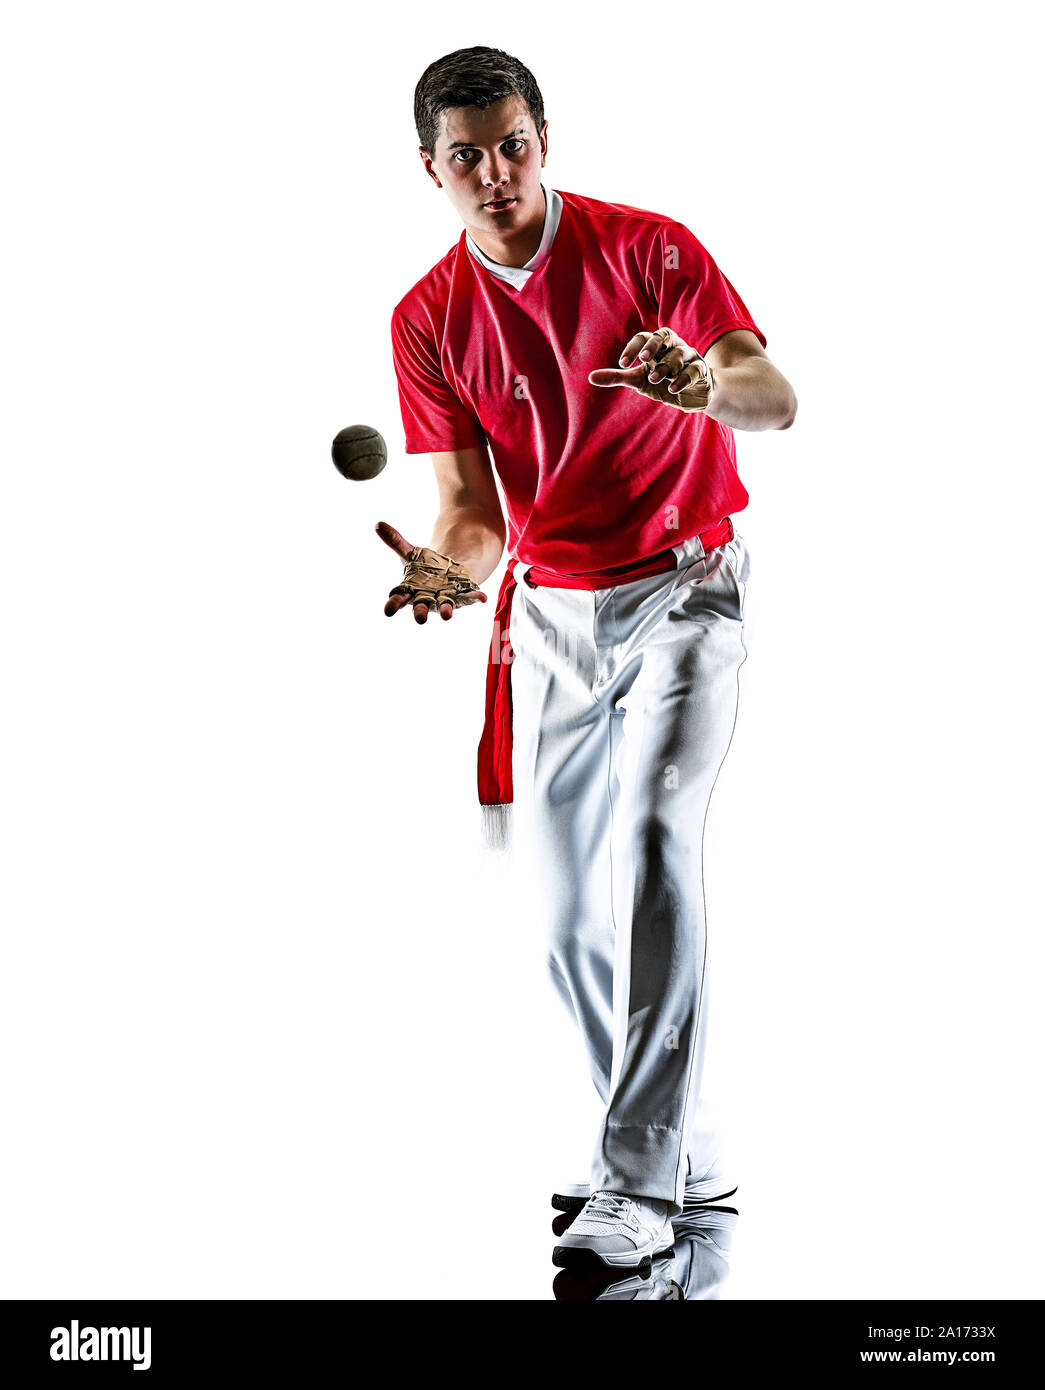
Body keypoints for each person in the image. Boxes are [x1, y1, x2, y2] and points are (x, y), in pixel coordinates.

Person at [381, 45, 797, 1272]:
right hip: (555, 618)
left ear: (543, 140)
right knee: (564, 918)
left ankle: (637, 1184)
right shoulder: (425, 319)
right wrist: (448, 568)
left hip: (685, 590)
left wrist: (703, 387)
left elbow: (771, 394)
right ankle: (685, 1148)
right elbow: (471, 510)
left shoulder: (647, 249)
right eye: (467, 156)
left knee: (657, 845)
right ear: (430, 170)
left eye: (513, 144)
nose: (495, 173)